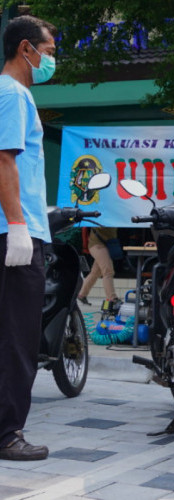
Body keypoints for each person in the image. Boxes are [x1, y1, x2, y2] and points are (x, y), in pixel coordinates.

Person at [0, 15, 57, 461]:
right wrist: (18, 227)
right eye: (49, 51)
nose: (51, 60)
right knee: (18, 337)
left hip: (13, 228)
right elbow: (5, 160)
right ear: (26, 49)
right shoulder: (13, 94)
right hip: (15, 235)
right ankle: (7, 433)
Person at [77, 227, 120, 306]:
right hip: (97, 245)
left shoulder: (113, 217)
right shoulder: (101, 217)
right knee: (108, 272)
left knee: (95, 272)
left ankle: (81, 294)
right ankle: (112, 298)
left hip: (106, 245)